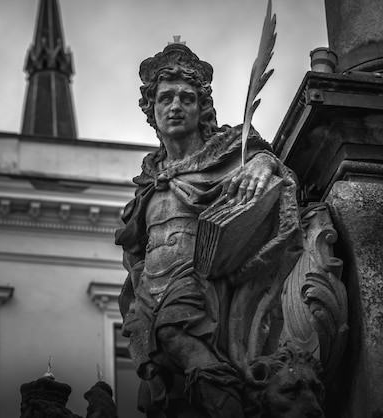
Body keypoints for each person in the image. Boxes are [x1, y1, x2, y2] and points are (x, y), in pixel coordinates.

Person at [115, 42, 302, 417]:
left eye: (186, 97)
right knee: (156, 378)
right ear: (151, 110)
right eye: (165, 98)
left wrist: (263, 163)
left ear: (202, 108)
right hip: (150, 283)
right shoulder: (150, 175)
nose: (175, 106)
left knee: (175, 335)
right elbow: (133, 243)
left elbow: (276, 172)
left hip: (199, 276)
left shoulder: (232, 150)